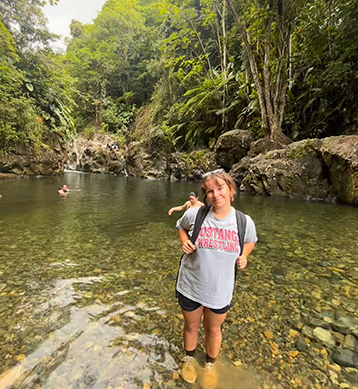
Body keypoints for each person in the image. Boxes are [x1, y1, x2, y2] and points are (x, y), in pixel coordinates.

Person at [175, 170, 257, 389]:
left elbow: (250, 241)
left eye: (220, 188)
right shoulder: (196, 215)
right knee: (191, 327)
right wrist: (184, 242)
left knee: (213, 330)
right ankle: (189, 359)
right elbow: (180, 227)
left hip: (221, 289)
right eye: (209, 191)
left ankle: (210, 365)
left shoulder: (243, 221)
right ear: (205, 196)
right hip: (191, 285)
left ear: (230, 189)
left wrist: (244, 256)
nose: (215, 194)